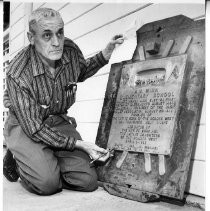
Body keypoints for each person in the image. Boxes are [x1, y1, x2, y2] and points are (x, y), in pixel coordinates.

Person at [3, 7, 124, 195]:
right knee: (48, 184)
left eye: (60, 32)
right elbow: (34, 128)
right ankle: (18, 159)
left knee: (88, 181)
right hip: (25, 125)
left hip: (57, 120)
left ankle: (45, 159)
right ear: (31, 37)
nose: (57, 42)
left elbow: (81, 71)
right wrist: (81, 145)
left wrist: (106, 53)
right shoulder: (18, 73)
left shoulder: (70, 50)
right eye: (46, 35)